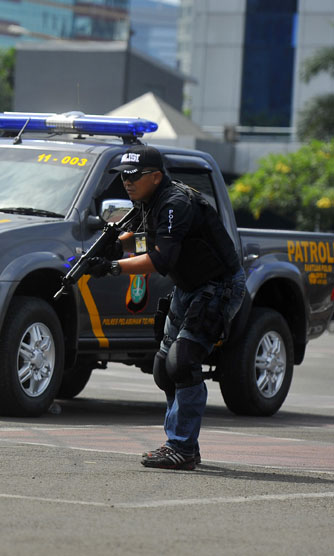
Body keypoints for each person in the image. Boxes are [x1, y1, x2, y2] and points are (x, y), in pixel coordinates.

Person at [87, 145, 246, 470]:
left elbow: (162, 259)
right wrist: (118, 243)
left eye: (134, 176)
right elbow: (153, 239)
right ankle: (185, 446)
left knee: (183, 363)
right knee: (164, 369)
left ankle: (181, 447)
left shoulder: (175, 202)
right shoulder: (152, 201)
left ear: (156, 177)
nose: (127, 182)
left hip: (218, 286)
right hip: (189, 286)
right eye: (123, 176)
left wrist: (113, 266)